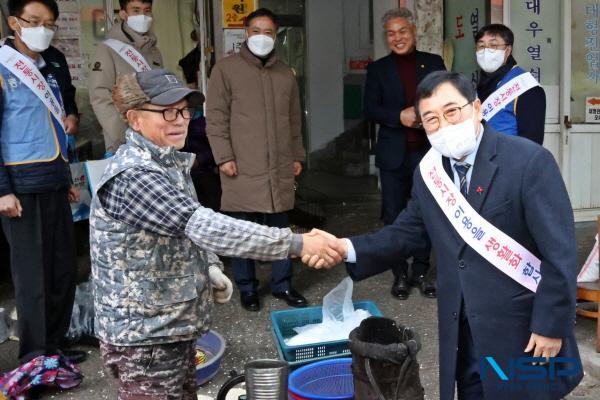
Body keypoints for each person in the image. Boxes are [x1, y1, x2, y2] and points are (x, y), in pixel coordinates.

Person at [305, 71, 583, 399]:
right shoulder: (430, 172)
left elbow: (560, 253)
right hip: (462, 330)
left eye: (452, 111)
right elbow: (407, 234)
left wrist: (551, 326)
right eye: (431, 119)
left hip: (521, 330)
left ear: (477, 108)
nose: (444, 124)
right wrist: (344, 247)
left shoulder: (528, 161)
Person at [91, 68, 339, 400]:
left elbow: (185, 228)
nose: (181, 120)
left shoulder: (168, 163)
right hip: (144, 340)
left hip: (171, 328)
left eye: (185, 110)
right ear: (135, 119)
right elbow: (206, 225)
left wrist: (209, 267)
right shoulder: (134, 176)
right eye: (168, 111)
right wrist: (296, 242)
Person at [0, 0, 87, 371]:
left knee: (62, 269)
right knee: (33, 275)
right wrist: (2, 190)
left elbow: (62, 116)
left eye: (49, 23)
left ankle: (56, 343)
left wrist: (66, 177)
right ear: (14, 22)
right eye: (34, 22)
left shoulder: (53, 61)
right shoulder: (3, 65)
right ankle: (35, 357)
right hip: (19, 185)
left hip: (54, 177)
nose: (43, 29)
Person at [206, 8, 307, 312]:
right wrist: (223, 157)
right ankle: (247, 288)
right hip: (241, 163)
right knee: (242, 230)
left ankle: (283, 284)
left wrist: (297, 155)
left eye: (268, 32)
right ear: (245, 33)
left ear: (275, 36)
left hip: (278, 164)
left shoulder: (284, 73)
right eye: (256, 31)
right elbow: (216, 118)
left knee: (280, 228)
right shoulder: (225, 70)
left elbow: (293, 120)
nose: (262, 37)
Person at [363, 7, 445, 300]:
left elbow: (443, 99)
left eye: (403, 31)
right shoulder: (378, 69)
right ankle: (399, 273)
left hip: (428, 153)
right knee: (395, 216)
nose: (397, 38)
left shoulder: (433, 63)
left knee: (426, 213)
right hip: (393, 155)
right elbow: (369, 109)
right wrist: (399, 116)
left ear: (414, 31)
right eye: (391, 33)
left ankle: (421, 271)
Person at [89, 0, 162, 156]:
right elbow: (100, 95)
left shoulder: (154, 51)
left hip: (154, 139)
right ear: (123, 14)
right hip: (123, 144)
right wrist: (123, 135)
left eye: (147, 10)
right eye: (136, 10)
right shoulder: (108, 49)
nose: (142, 16)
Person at [475, 24, 546, 145]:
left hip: (509, 161)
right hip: (481, 160)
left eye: (493, 45)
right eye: (481, 46)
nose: (486, 51)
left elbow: (532, 144)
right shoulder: (480, 84)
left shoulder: (526, 87)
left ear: (508, 50)